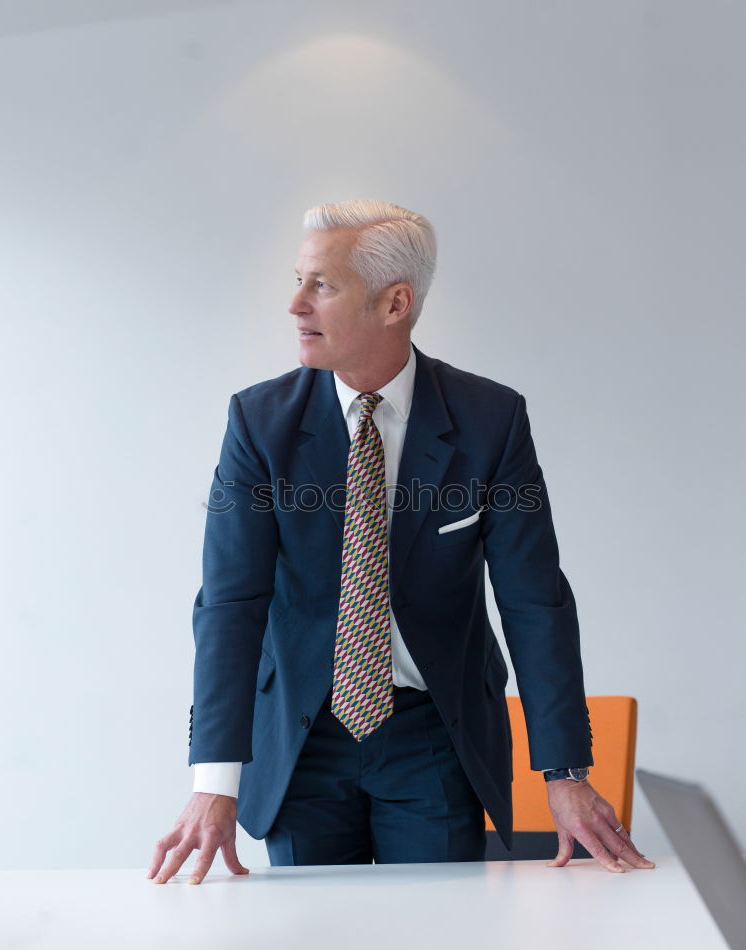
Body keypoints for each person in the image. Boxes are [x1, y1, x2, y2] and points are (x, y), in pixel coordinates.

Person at [148, 199, 654, 884]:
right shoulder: (259, 424)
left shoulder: (490, 421)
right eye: (297, 280)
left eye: (321, 285)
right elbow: (231, 602)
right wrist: (215, 779)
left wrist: (562, 771)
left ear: (394, 304)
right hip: (301, 740)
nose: (295, 304)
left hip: (433, 736)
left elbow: (534, 601)